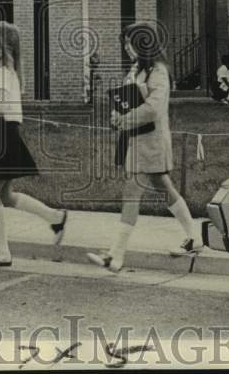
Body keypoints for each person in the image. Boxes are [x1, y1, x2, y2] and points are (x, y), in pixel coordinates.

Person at [87, 23, 203, 272]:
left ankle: (115, 255)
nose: (126, 48)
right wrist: (116, 116)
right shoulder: (137, 69)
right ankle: (195, 237)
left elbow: (153, 108)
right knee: (165, 188)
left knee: (132, 192)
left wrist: (126, 118)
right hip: (135, 140)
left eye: (129, 43)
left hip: (151, 142)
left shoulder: (158, 71)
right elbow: (126, 98)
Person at [0, 21, 67, 266]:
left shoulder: (2, 72)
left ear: (0, 46)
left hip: (2, 135)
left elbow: (0, 107)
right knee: (5, 195)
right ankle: (55, 217)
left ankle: (1, 252)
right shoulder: (2, 71)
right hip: (5, 133)